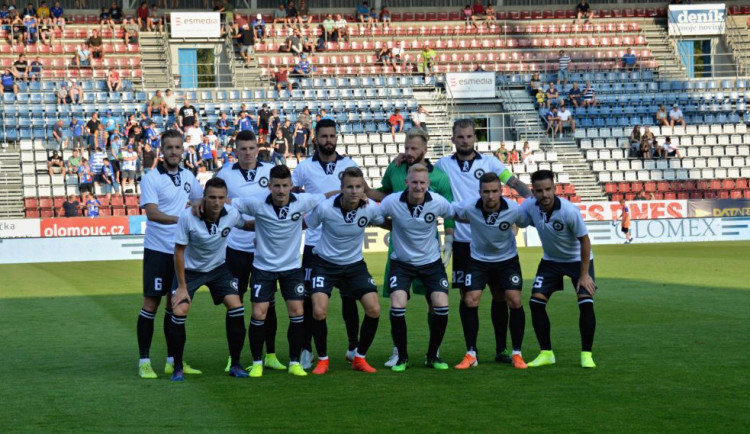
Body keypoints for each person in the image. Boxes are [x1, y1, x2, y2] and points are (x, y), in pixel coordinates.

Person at [436, 119, 532, 365]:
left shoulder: (490, 162)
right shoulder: (442, 165)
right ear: (453, 139)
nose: (465, 140)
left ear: (474, 138)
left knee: (501, 296)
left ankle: (502, 349)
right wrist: (406, 158)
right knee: (467, 298)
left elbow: (513, 183)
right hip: (462, 243)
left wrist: (533, 198)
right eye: (460, 137)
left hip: (494, 241)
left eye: (469, 136)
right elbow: (424, 180)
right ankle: (471, 351)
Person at [228, 165, 331, 377]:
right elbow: (228, 202)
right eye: (277, 186)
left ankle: (294, 362)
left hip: (292, 268)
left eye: (285, 185)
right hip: (263, 268)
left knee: (298, 312)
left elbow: (324, 196)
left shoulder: (302, 201)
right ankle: (257, 362)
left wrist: (359, 195)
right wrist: (201, 202)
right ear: (269, 186)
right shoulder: (256, 203)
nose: (281, 190)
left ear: (292, 185)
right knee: (259, 313)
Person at [364, 128, 455, 367]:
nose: (409, 152)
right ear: (407, 182)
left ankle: (433, 352)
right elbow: (380, 198)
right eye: (406, 148)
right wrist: (362, 189)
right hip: (400, 253)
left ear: (425, 150)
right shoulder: (395, 169)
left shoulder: (440, 179)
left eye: (414, 148)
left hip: (429, 253)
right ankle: (399, 351)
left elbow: (453, 213)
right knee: (397, 302)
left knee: (435, 303)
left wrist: (450, 241)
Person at [291, 118, 359, 369]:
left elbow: (362, 193)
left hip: (345, 243)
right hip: (314, 244)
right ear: (316, 139)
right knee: (310, 299)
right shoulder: (304, 167)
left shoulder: (349, 164)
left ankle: (353, 347)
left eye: (332, 136)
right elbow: (293, 196)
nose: (328, 140)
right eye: (324, 136)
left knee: (349, 298)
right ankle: (308, 349)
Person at [305, 167, 387, 374]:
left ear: (363, 189)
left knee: (374, 309)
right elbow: (304, 225)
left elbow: (386, 223)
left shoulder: (370, 209)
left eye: (358, 186)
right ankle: (323, 359)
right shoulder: (324, 208)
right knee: (319, 310)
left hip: (354, 266)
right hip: (324, 264)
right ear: (341, 189)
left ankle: (359, 357)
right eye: (349, 187)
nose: (354, 191)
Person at [168, 177, 252, 381]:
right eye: (212, 197)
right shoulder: (187, 217)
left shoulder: (232, 213)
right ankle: (177, 367)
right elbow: (178, 252)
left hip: (218, 268)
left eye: (221, 198)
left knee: (237, 307)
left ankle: (236, 363)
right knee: (180, 309)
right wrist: (181, 286)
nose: (216, 202)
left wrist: (275, 222)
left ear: (226, 198)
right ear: (204, 197)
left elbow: (246, 225)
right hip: (190, 270)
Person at [136, 129, 204, 379]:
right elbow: (151, 213)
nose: (174, 152)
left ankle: (172, 361)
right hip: (157, 251)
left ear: (182, 150)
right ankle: (144, 361)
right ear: (161, 151)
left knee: (174, 305)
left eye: (178, 147)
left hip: (180, 252)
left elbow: (201, 200)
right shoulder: (151, 178)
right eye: (169, 148)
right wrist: (183, 218)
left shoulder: (188, 176)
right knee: (150, 304)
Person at [215, 130, 284, 372]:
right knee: (234, 302)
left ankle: (271, 354)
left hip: (265, 249)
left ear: (258, 148)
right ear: (235, 150)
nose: (247, 153)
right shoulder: (225, 173)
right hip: (235, 248)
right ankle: (233, 357)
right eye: (242, 149)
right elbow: (218, 204)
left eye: (251, 148)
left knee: (269, 302)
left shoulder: (269, 171)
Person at [519, 169, 597, 369]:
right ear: (533, 192)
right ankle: (546, 353)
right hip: (551, 261)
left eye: (548, 189)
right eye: (539, 191)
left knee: (585, 303)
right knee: (536, 303)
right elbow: (516, 217)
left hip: (577, 261)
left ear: (555, 188)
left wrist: (584, 274)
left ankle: (586, 355)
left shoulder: (569, 211)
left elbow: (585, 241)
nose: (544, 194)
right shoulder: (530, 206)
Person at [451, 173, 530, 369]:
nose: (490, 196)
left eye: (494, 191)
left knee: (513, 300)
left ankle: (516, 353)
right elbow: (449, 211)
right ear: (479, 192)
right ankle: (471, 353)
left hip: (507, 261)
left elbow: (526, 221)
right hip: (478, 260)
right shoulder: (470, 207)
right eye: (486, 192)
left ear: (501, 191)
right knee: (470, 299)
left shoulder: (513, 209)